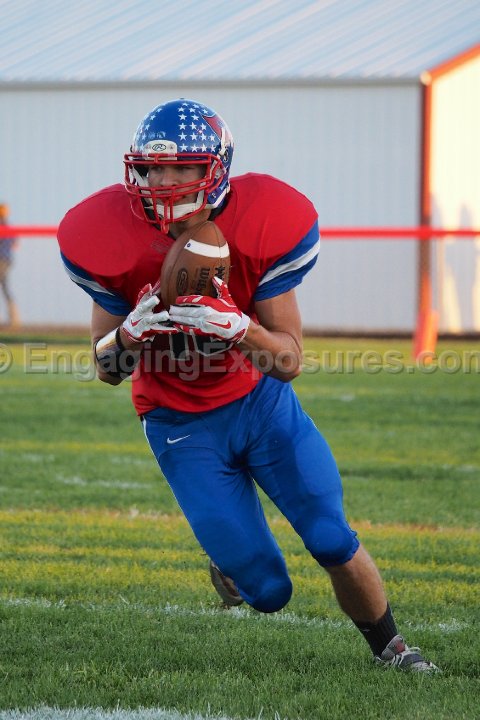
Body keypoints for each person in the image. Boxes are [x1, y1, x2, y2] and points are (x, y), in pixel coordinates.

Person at [57, 98, 439, 672]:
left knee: (331, 537)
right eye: (152, 168)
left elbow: (288, 361)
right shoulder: (107, 230)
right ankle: (231, 560)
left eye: (181, 167)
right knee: (269, 592)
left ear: (215, 167)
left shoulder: (263, 219)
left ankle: (392, 648)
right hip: (179, 423)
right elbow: (107, 368)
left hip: (260, 404)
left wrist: (240, 328)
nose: (162, 182)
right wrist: (129, 335)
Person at [0, 203, 20, 327]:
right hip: (7, 260)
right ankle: (14, 318)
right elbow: (15, 245)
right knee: (5, 287)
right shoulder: (9, 227)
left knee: (5, 287)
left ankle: (14, 318)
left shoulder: (4, 226)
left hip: (2, 260)